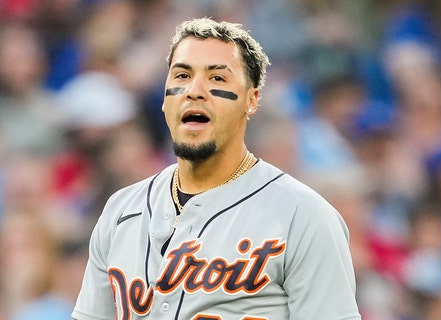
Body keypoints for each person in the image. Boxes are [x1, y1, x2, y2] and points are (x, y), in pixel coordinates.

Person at [72, 17, 361, 320]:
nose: (194, 91)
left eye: (218, 79)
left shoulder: (304, 215)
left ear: (252, 100)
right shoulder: (120, 211)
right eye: (181, 76)